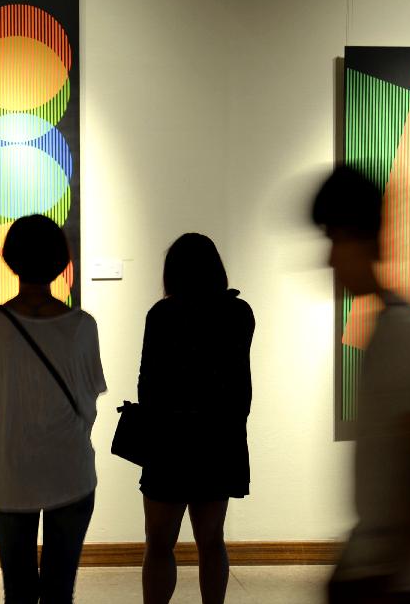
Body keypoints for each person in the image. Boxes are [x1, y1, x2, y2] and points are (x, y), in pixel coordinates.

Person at [313, 167, 410, 604]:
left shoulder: (403, 330)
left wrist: (392, 579)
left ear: (364, 240)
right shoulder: (383, 329)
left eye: (336, 241)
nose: (330, 259)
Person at [0, 214, 106, 604]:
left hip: (12, 469)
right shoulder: (83, 326)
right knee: (59, 592)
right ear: (61, 261)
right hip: (70, 468)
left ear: (10, 260)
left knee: (17, 592)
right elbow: (91, 394)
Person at [137, 233, 254, 604]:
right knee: (211, 541)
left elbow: (147, 384)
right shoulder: (239, 314)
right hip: (218, 441)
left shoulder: (162, 315)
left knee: (158, 543)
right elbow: (239, 383)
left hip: (168, 443)